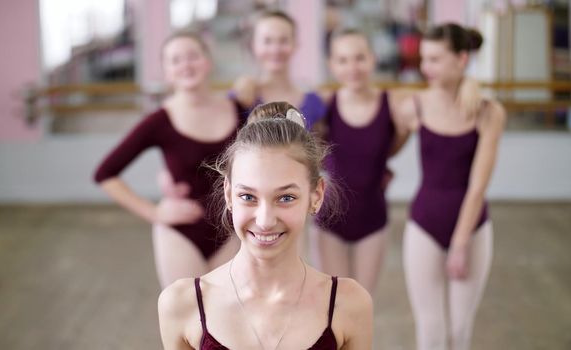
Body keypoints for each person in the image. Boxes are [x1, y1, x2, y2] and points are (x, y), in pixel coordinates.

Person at [158, 102, 373, 350]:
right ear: (228, 194)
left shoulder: (348, 304)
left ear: (316, 196)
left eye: (285, 198)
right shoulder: (182, 305)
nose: (264, 220)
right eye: (248, 197)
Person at [93, 31, 244, 289]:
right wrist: (154, 212)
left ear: (208, 62)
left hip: (232, 229)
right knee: (187, 322)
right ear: (167, 72)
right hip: (181, 233)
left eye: (193, 56)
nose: (186, 65)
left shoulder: (239, 110)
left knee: (228, 321)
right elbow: (105, 173)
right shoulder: (159, 121)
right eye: (176, 60)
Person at [393, 23, 506, 350]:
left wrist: (459, 244)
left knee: (459, 332)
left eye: (435, 59)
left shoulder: (488, 112)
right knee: (431, 333)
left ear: (461, 58)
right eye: (424, 59)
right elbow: (381, 148)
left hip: (472, 229)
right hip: (423, 226)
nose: (426, 68)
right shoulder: (412, 107)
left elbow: (477, 187)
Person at [311, 28, 408, 296]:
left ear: (373, 59)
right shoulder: (325, 105)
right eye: (343, 60)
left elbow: (392, 147)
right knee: (333, 303)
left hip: (372, 217)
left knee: (362, 302)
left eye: (359, 58)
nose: (352, 67)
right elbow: (311, 151)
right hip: (330, 219)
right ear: (332, 65)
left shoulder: (392, 103)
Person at [232, 9, 327, 129]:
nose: (275, 50)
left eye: (284, 40)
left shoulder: (314, 102)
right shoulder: (239, 99)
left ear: (296, 45)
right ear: (253, 45)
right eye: (267, 41)